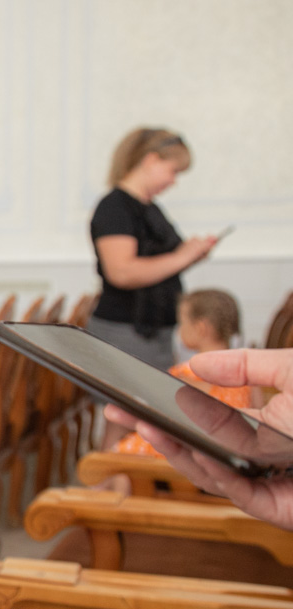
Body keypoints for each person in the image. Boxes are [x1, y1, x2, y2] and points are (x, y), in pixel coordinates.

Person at [89, 128, 219, 445]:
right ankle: (108, 477)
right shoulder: (114, 208)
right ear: (150, 160)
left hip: (152, 328)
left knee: (142, 419)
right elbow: (121, 272)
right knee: (124, 419)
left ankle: (123, 474)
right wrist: (181, 257)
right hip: (126, 330)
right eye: (173, 171)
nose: (173, 181)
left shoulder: (149, 207)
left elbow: (161, 266)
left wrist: (190, 255)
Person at [106, 348, 293, 531]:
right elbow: (259, 422)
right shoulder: (251, 386)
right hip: (241, 474)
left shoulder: (185, 373)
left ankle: (107, 514)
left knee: (122, 452)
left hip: (184, 477)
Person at [114, 289, 251, 460]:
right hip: (228, 454)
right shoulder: (249, 375)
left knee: (113, 455)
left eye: (182, 323)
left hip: (182, 456)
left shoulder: (186, 375)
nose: (179, 331)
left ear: (201, 328)